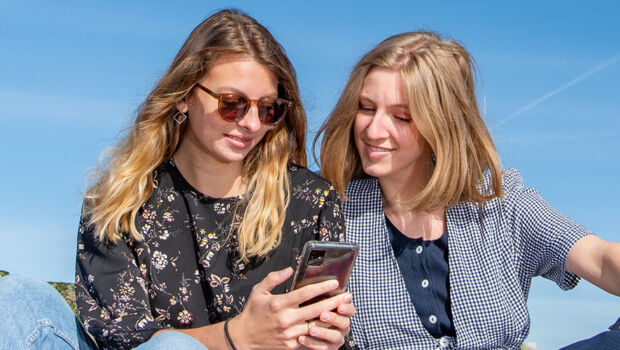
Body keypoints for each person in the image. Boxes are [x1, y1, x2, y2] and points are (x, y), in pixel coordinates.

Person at [0, 9, 355, 350]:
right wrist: (236, 337)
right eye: (232, 103)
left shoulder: (310, 200)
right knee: (17, 298)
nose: (250, 123)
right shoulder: (120, 199)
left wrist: (325, 338)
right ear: (184, 95)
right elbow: (124, 339)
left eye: (268, 109)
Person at [316, 31, 620, 349]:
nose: (374, 130)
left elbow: (599, 258)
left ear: (442, 123)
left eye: (401, 116)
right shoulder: (330, 214)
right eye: (366, 108)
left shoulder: (502, 203)